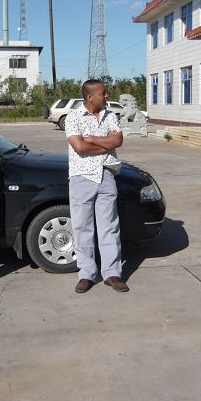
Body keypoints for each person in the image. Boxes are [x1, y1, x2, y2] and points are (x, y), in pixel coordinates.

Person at [66, 79, 127, 293]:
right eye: (103, 93)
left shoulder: (110, 115)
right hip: (82, 176)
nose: (107, 96)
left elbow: (118, 141)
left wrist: (93, 138)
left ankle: (112, 273)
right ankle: (87, 274)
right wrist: (104, 145)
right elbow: (80, 147)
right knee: (82, 227)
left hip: (107, 173)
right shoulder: (73, 117)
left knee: (109, 225)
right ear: (90, 96)